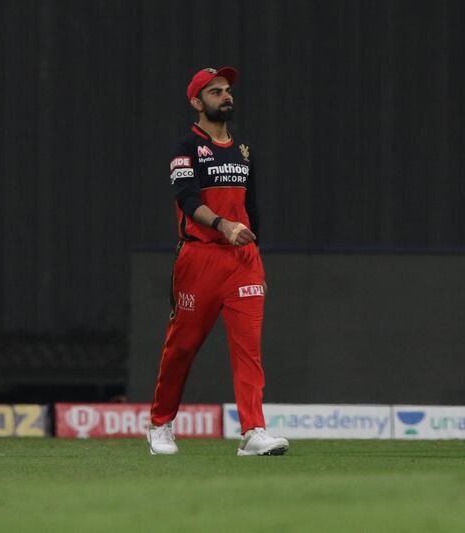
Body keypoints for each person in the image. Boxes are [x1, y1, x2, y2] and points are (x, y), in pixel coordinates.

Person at [147, 66, 289, 457]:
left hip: (242, 261)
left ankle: (253, 431)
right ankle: (160, 424)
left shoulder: (243, 149)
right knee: (182, 347)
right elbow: (187, 199)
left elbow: (252, 207)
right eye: (215, 92)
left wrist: (253, 252)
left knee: (249, 349)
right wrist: (224, 225)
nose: (225, 96)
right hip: (199, 259)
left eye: (227, 90)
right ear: (197, 102)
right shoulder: (186, 147)